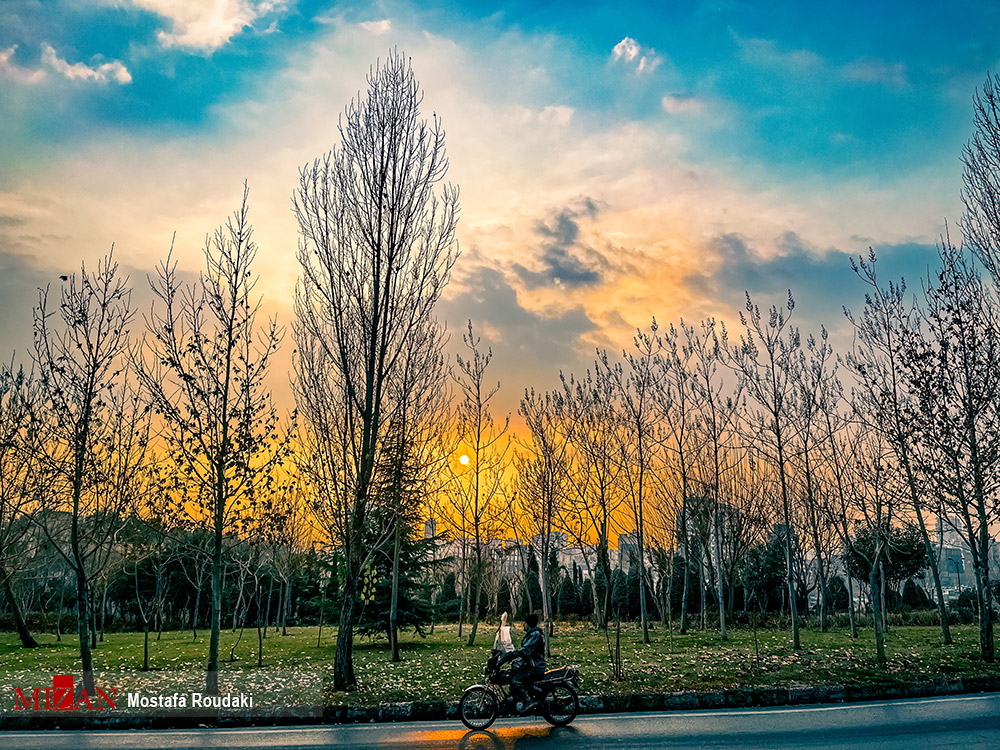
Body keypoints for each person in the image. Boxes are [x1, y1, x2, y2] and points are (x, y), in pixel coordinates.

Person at [499, 613, 546, 710]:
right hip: (530, 665)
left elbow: (526, 650)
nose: (523, 625)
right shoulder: (533, 634)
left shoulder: (535, 635)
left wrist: (511, 654)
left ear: (528, 624)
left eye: (524, 623)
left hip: (535, 667)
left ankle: (529, 700)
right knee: (512, 673)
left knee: (515, 679)